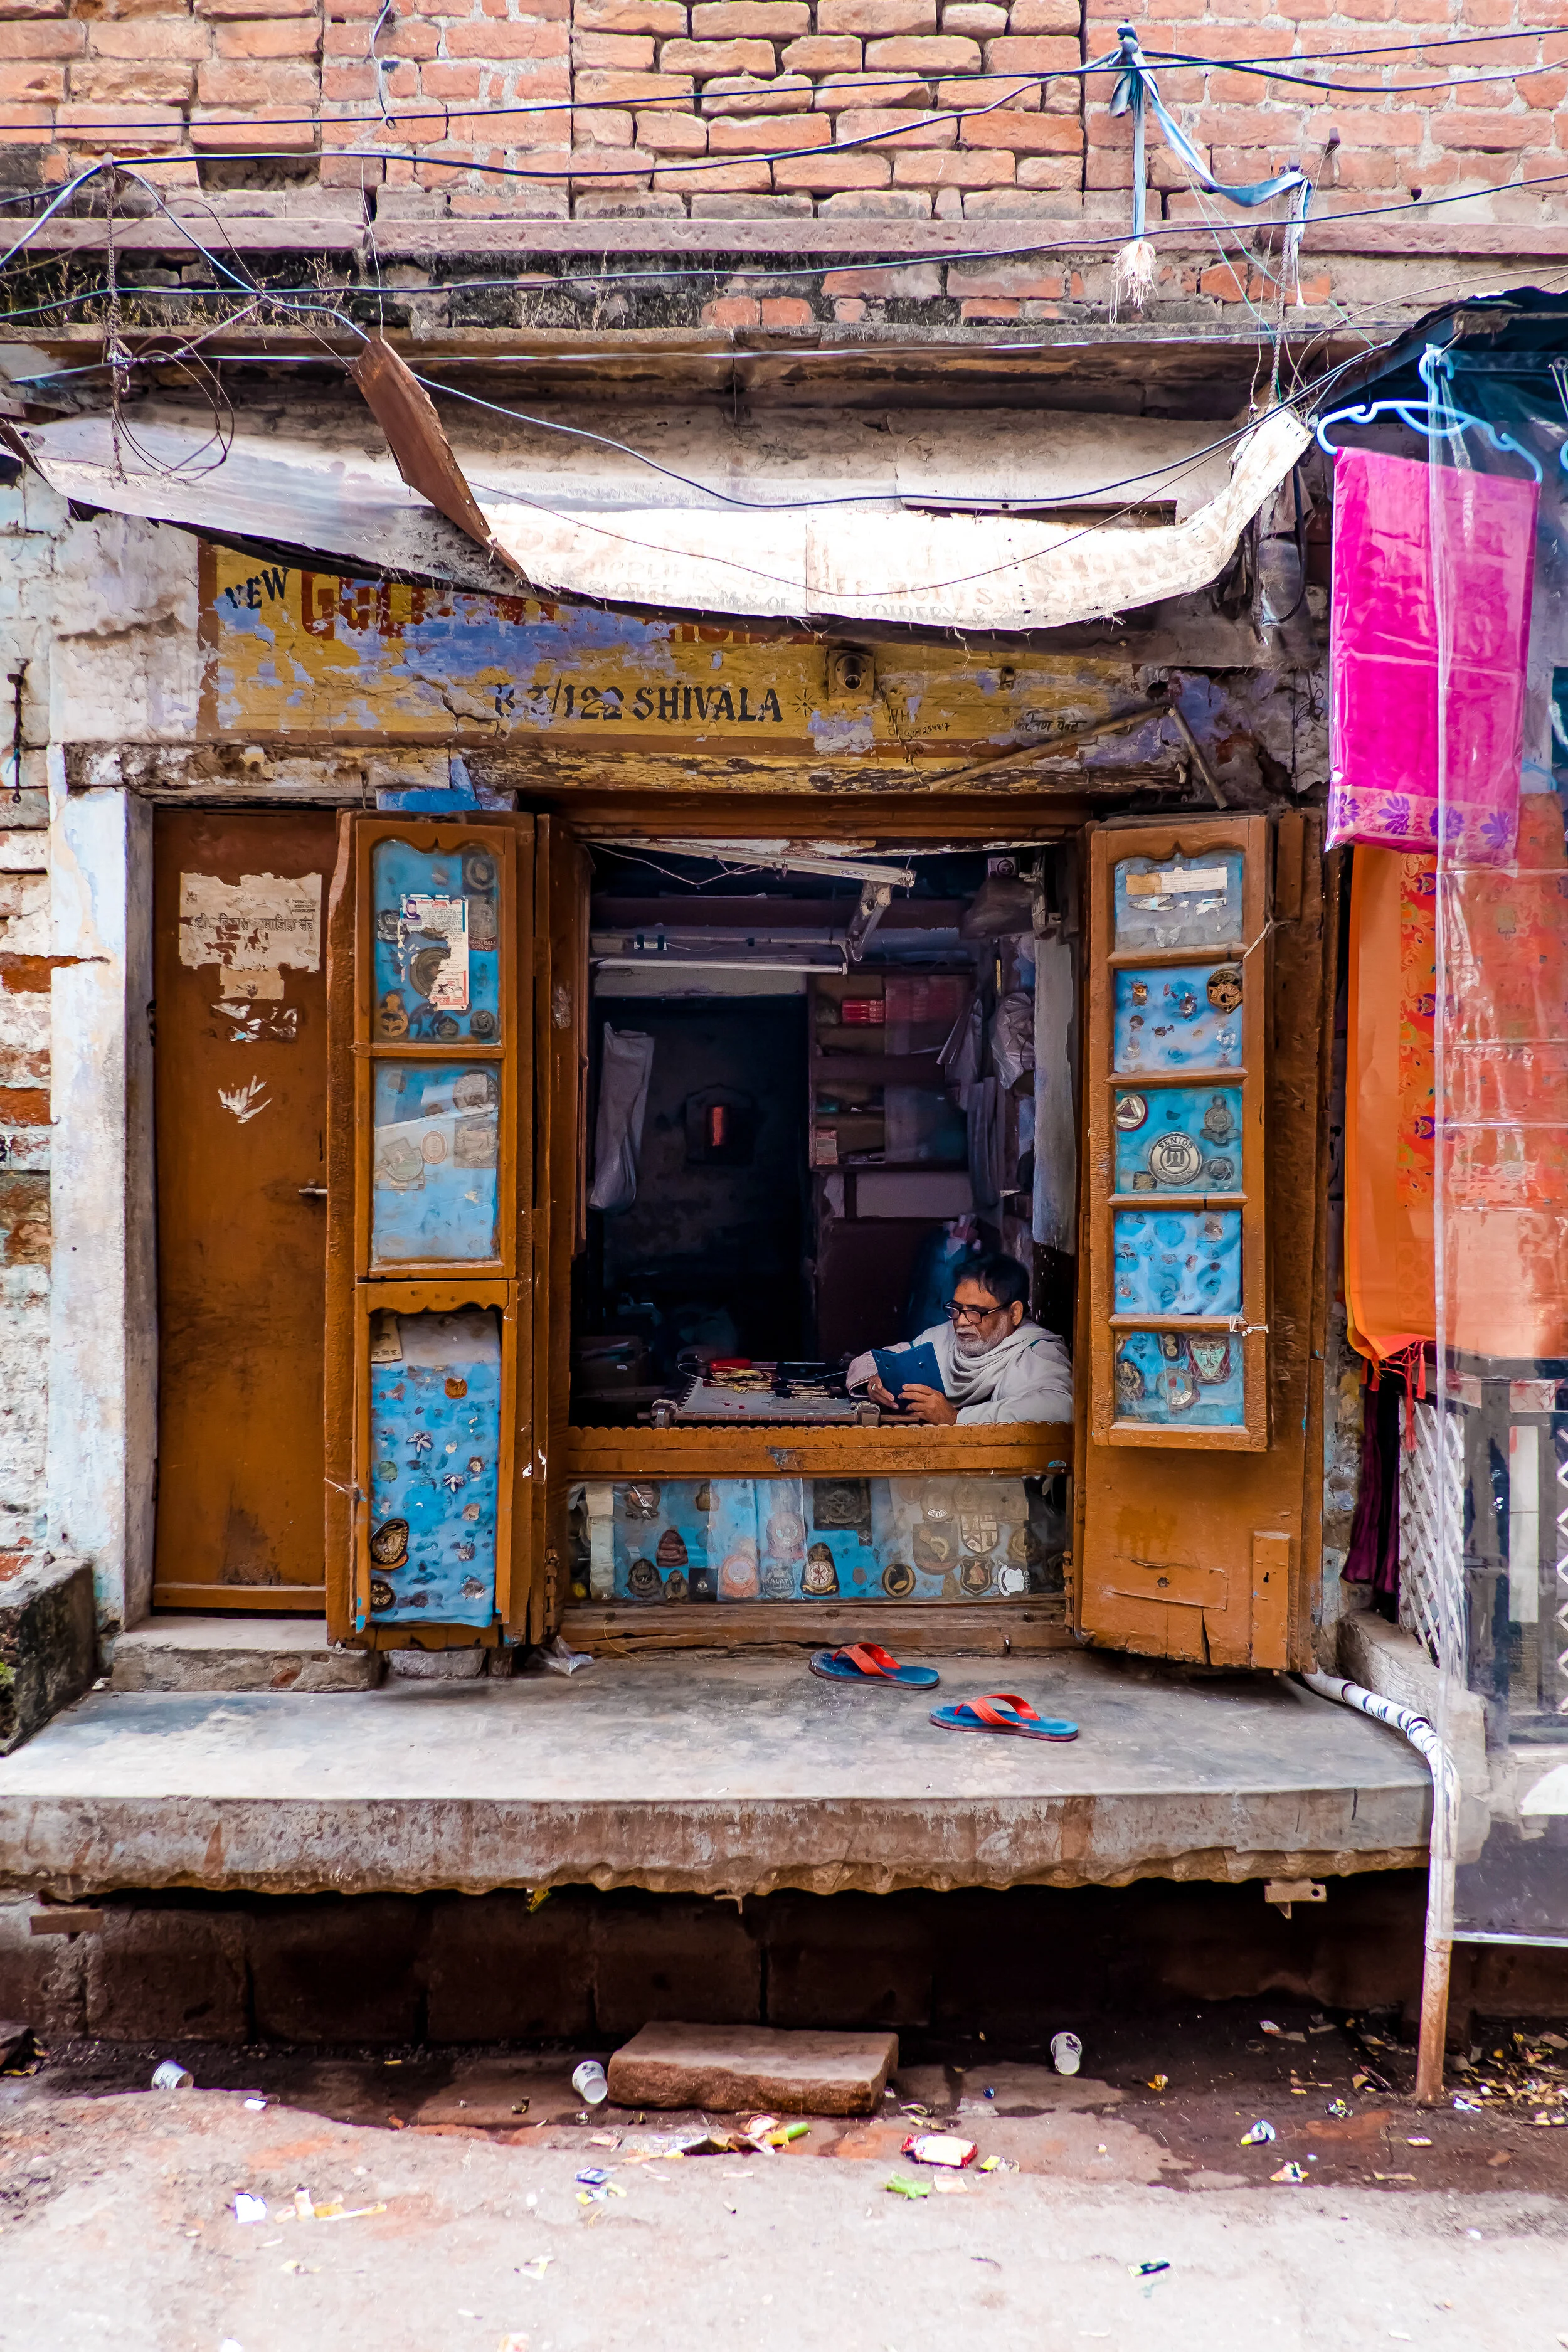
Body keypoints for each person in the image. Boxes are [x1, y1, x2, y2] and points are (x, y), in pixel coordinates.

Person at [845, 1249, 1073, 1426]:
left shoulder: (1034, 1351)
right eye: (956, 1309)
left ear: (1014, 1313)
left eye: (976, 1311)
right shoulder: (944, 1337)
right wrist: (874, 1381)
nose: (962, 1321)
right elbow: (869, 1361)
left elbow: (1059, 1409)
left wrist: (956, 1418)